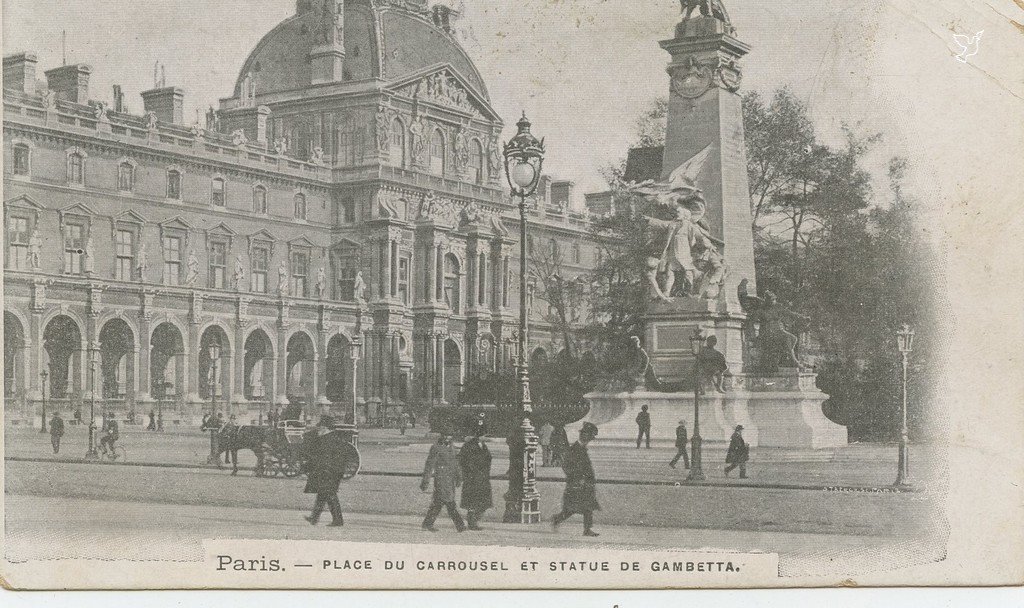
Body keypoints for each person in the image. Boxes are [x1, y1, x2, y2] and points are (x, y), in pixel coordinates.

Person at [551, 422, 600, 537]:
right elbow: (567, 466)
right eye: (590, 436)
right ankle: (557, 519)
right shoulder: (575, 449)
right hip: (577, 484)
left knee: (586, 506)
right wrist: (577, 478)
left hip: (584, 484)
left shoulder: (581, 448)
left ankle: (586, 529)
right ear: (585, 436)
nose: (591, 439)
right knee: (573, 508)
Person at [303, 423, 350, 527]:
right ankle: (314, 518)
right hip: (332, 472)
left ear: (325, 428)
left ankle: (338, 520)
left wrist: (306, 466)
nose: (318, 430)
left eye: (319, 428)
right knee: (323, 495)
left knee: (329, 495)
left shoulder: (326, 440)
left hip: (328, 472)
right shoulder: (334, 438)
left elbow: (320, 458)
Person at [420, 432, 465, 533]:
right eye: (445, 435)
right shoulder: (436, 448)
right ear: (441, 436)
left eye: (449, 435)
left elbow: (456, 464)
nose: (447, 437)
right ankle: (460, 525)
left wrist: (459, 477)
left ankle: (427, 524)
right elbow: (429, 465)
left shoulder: (452, 447)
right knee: (449, 502)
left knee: (438, 503)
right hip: (441, 479)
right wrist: (425, 481)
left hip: (450, 480)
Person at [458, 420, 492, 531]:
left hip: (483, 478)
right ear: (479, 436)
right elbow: (463, 460)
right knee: (472, 503)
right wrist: (471, 472)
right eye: (484, 435)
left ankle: (474, 521)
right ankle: (472, 523)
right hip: (473, 478)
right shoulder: (469, 446)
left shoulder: (483, 445)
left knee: (483, 503)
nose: (485, 437)